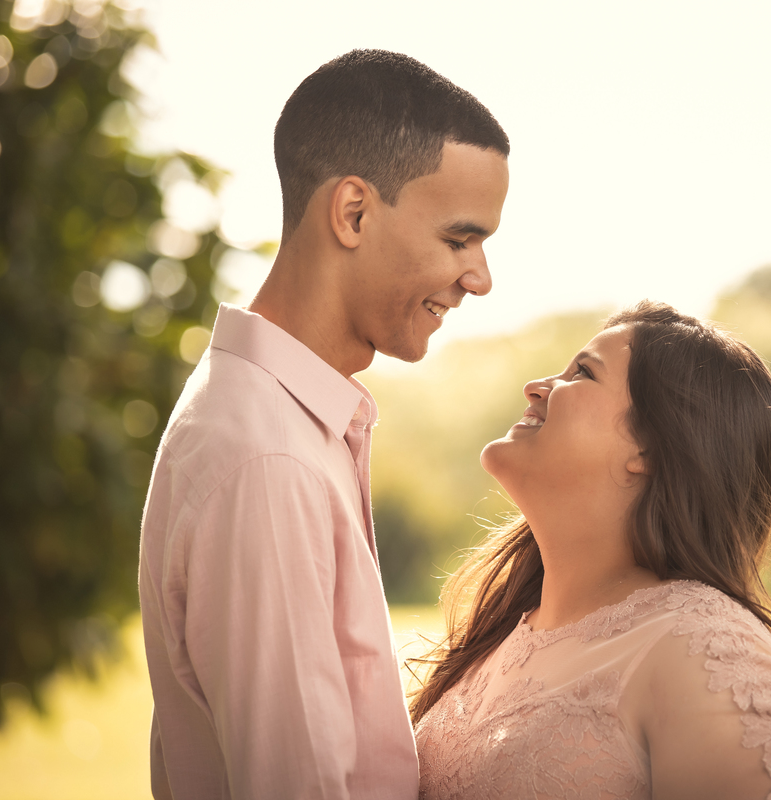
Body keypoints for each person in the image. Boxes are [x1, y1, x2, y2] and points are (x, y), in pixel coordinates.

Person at [138, 50, 509, 800]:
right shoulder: (268, 459)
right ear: (353, 213)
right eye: (459, 239)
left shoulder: (278, 420)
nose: (480, 278)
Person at [412, 302, 771, 799]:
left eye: (582, 372)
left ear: (649, 449)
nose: (536, 386)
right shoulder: (502, 633)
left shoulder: (707, 647)